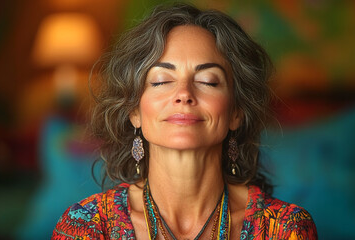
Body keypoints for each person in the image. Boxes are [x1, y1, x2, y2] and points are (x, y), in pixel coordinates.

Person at [52, 3, 317, 240]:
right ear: (135, 111)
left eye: (208, 81)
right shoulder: (87, 227)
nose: (184, 94)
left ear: (236, 112)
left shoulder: (284, 229)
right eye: (161, 81)